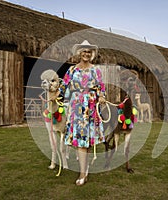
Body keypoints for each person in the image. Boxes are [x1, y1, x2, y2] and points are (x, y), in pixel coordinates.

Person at [62, 40, 106, 186]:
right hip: (76, 107)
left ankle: (83, 172)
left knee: (85, 141)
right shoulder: (72, 70)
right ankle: (83, 171)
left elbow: (101, 87)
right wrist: (55, 94)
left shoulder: (95, 70)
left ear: (91, 54)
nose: (86, 54)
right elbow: (64, 85)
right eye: (84, 51)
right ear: (79, 53)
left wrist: (102, 96)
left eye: (88, 51)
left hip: (91, 107)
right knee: (81, 140)